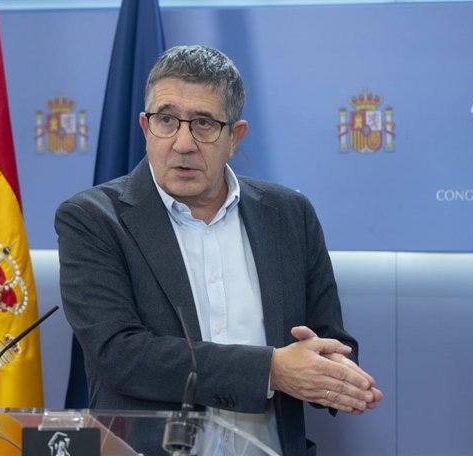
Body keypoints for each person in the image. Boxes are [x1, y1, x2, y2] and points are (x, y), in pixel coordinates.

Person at [56, 45, 382, 456]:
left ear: (235, 136)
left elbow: (328, 334)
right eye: (167, 120)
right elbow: (120, 355)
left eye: (205, 123)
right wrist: (273, 370)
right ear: (145, 126)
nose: (183, 143)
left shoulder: (288, 215)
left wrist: (330, 372)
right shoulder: (94, 219)